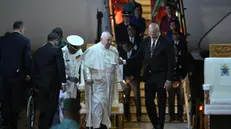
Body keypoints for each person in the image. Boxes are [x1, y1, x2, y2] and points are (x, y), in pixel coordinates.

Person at [120, 23, 175, 129]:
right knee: (148, 102)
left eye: (154, 34)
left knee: (161, 102)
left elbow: (171, 63)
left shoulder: (166, 43)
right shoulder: (145, 42)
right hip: (149, 76)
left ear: (158, 31)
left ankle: (161, 125)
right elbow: (138, 57)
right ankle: (155, 123)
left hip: (161, 76)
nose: (152, 36)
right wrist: (126, 61)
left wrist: (169, 79)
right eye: (150, 34)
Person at [80, 32, 122, 129]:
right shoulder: (92, 50)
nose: (110, 42)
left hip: (109, 85)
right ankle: (96, 126)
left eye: (111, 40)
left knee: (106, 109)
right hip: (97, 84)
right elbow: (85, 65)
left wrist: (120, 81)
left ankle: (103, 126)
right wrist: (88, 78)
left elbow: (117, 67)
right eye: (108, 40)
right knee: (97, 107)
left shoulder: (114, 50)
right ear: (101, 39)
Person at [0, 21, 31, 129]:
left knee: (4, 99)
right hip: (17, 76)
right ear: (21, 29)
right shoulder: (25, 41)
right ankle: (13, 124)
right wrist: (27, 74)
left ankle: (5, 122)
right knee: (15, 100)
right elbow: (27, 60)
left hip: (3, 75)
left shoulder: (2, 40)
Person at [32, 32, 66, 129]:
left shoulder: (38, 51)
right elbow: (60, 67)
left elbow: (33, 68)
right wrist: (63, 82)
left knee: (42, 106)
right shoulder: (56, 51)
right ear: (56, 40)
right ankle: (47, 125)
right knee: (51, 106)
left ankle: (41, 125)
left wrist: (34, 83)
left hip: (40, 84)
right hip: (53, 84)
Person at [55, 35, 84, 124]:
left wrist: (81, 81)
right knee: (62, 106)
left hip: (75, 85)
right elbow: (59, 70)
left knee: (72, 106)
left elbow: (82, 66)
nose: (75, 51)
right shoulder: (62, 52)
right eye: (73, 49)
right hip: (64, 84)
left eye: (76, 49)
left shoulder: (79, 52)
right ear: (68, 45)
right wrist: (69, 78)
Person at [168, 31, 187, 122]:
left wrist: (180, 79)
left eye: (175, 50)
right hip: (171, 81)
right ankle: (171, 116)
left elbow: (183, 69)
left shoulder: (181, 59)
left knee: (180, 99)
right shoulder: (168, 60)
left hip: (179, 80)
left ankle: (180, 116)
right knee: (171, 99)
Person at [121, 41, 142, 121]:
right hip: (125, 78)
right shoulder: (122, 54)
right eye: (123, 47)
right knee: (126, 97)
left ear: (129, 46)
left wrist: (132, 77)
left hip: (134, 78)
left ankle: (138, 115)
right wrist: (125, 77)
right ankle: (127, 115)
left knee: (137, 97)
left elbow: (139, 66)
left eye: (125, 46)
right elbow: (121, 67)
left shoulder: (136, 53)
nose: (124, 48)